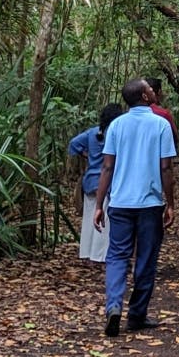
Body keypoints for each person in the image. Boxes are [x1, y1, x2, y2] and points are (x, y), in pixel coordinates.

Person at [94, 78, 178, 336]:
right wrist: (170, 202)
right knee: (146, 258)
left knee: (117, 256)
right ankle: (137, 315)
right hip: (149, 203)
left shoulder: (116, 126)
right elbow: (166, 167)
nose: (154, 91)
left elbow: (107, 166)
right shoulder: (160, 124)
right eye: (150, 88)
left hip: (120, 201)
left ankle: (114, 305)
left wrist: (99, 203)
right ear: (143, 96)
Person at [67, 102, 121, 262]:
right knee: (104, 220)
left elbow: (73, 144)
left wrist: (87, 155)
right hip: (107, 181)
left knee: (90, 216)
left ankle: (87, 252)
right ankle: (100, 256)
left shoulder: (92, 133)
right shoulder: (115, 134)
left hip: (90, 180)